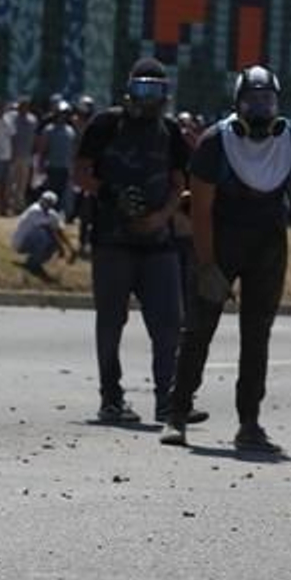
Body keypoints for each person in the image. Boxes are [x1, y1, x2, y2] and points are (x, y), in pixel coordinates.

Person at [160, 67, 291, 451]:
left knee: (257, 336)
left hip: (268, 244)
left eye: (266, 100)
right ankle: (176, 413)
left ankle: (249, 423)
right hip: (221, 240)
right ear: (237, 104)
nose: (259, 108)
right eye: (251, 101)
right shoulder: (214, 143)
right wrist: (206, 265)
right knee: (198, 332)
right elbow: (201, 210)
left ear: (278, 104)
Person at [74, 59, 194, 424]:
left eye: (155, 90)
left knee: (169, 322)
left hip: (158, 242)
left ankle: (167, 400)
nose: (148, 98)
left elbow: (179, 183)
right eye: (142, 89)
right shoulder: (105, 125)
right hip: (112, 240)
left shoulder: (171, 131)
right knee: (111, 321)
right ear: (129, 89)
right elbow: (81, 173)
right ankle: (111, 397)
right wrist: (111, 195)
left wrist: (162, 216)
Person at [11, 190, 75, 278]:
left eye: (49, 202)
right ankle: (32, 263)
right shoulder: (34, 210)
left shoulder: (52, 214)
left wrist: (71, 248)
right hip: (20, 242)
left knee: (53, 241)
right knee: (44, 235)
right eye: (45, 200)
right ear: (40, 199)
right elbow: (47, 228)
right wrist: (61, 247)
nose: (46, 203)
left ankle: (36, 263)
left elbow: (60, 231)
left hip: (32, 241)